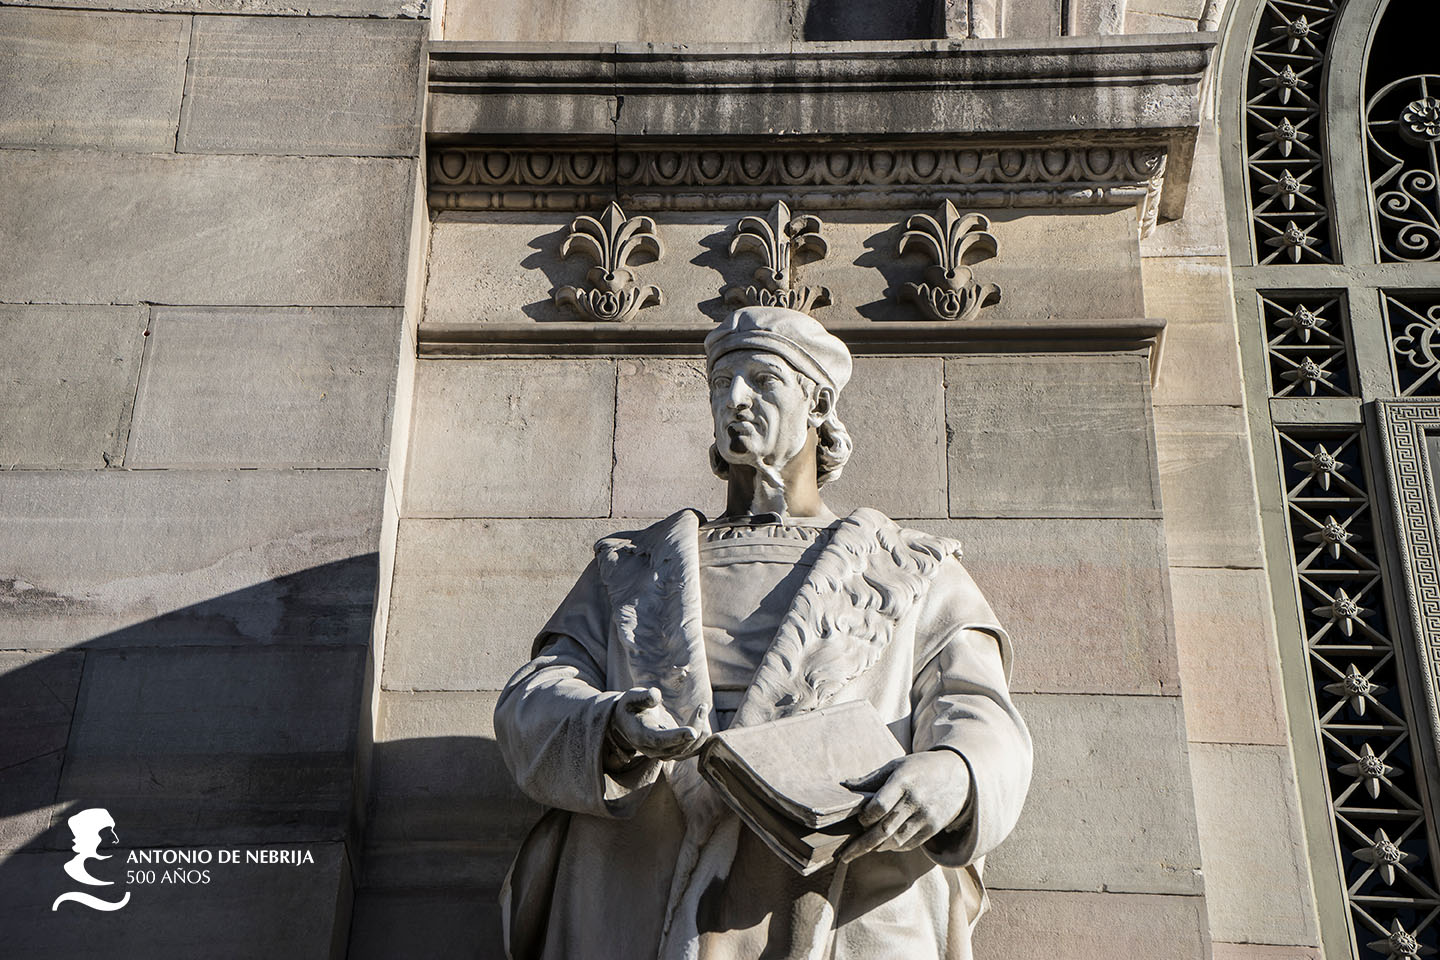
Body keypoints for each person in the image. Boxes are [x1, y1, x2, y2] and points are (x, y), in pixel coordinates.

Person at [494, 306, 1032, 960]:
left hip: (840, 882)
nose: (734, 401)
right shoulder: (630, 566)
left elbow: (980, 712)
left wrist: (956, 774)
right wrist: (610, 727)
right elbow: (533, 699)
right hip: (644, 875)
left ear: (818, 404)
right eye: (722, 386)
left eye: (762, 381)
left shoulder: (913, 567)